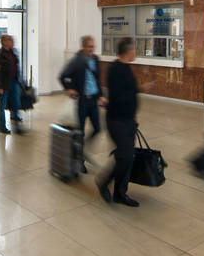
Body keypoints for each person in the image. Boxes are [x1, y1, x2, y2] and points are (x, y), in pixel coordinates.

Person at [96, 37, 142, 207]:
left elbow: (129, 92)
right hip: (117, 119)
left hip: (127, 119)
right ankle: (104, 181)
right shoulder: (115, 69)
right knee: (126, 154)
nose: (135, 52)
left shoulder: (126, 68)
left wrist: (133, 114)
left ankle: (120, 193)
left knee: (127, 157)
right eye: (134, 49)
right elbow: (118, 97)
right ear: (128, 51)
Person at [59, 35, 106, 172]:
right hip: (82, 101)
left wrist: (101, 96)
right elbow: (62, 77)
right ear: (83, 47)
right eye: (90, 47)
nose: (92, 49)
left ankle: (82, 150)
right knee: (80, 132)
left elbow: (97, 79)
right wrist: (69, 89)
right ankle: (80, 160)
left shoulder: (96, 59)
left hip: (93, 100)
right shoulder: (76, 61)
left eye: (93, 46)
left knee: (98, 128)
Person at [0, 34, 23, 135]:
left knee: (15, 103)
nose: (12, 41)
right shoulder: (0, 55)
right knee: (2, 105)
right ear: (4, 42)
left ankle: (16, 124)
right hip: (4, 84)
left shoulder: (13, 52)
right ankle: (1, 127)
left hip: (14, 82)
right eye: (10, 40)